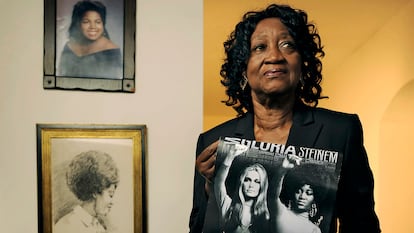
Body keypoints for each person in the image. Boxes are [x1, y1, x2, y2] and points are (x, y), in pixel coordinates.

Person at [190, 3, 381, 233]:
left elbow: (362, 225)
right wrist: (211, 187)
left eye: (287, 44)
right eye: (260, 47)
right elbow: (198, 228)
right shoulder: (214, 140)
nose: (274, 56)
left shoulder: (340, 131)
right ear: (243, 68)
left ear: (301, 64)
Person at [54, 150, 119, 233]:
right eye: (110, 194)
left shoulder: (98, 226)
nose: (112, 202)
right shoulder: (67, 226)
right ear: (95, 191)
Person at [58, 0, 123, 79]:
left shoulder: (112, 52)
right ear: (78, 24)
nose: (93, 27)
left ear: (103, 24)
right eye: (86, 22)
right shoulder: (69, 46)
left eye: (98, 22)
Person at [214, 143, 270, 233]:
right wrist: (230, 156)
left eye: (257, 182)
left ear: (262, 186)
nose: (251, 185)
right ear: (241, 182)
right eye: (247, 180)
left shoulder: (265, 215)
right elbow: (218, 182)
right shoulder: (228, 205)